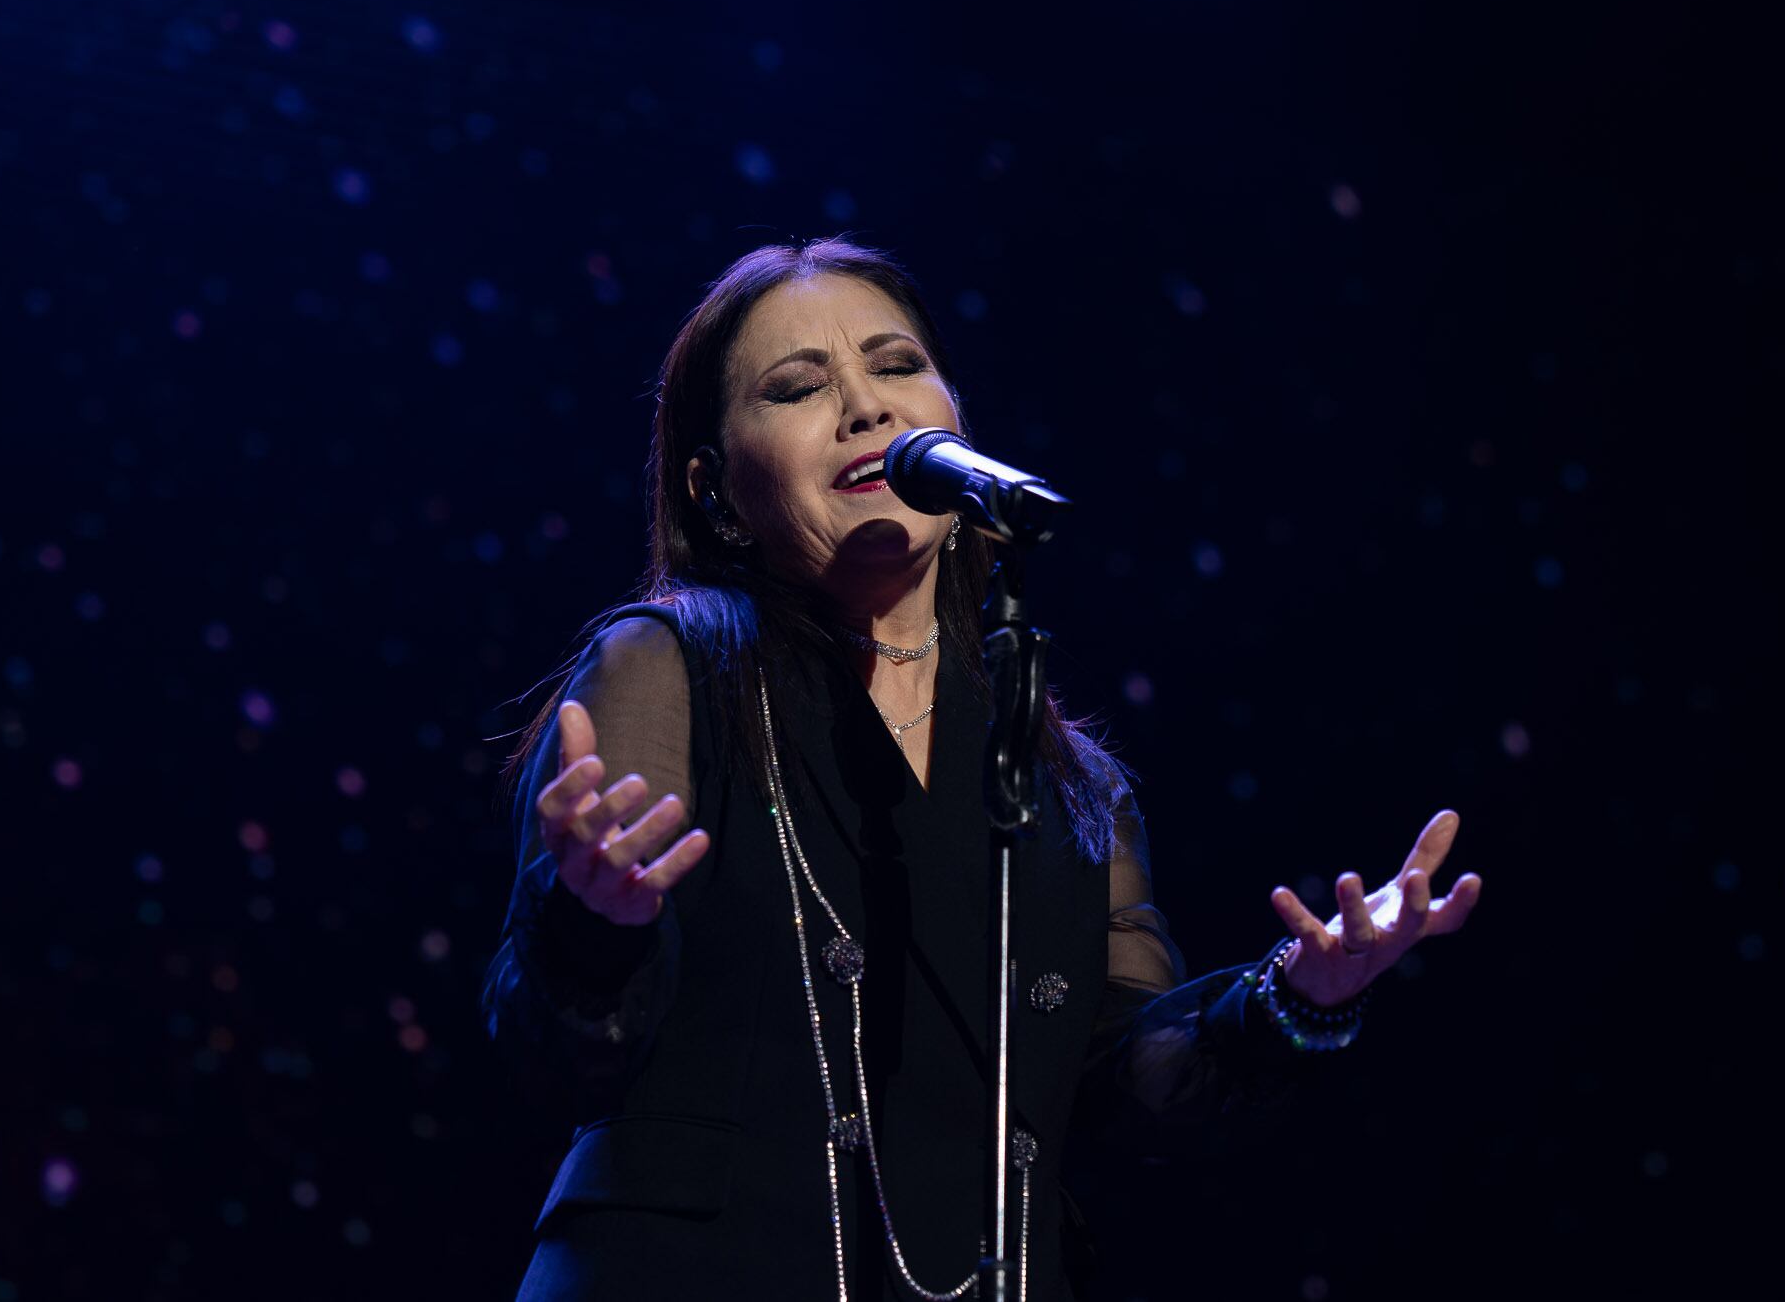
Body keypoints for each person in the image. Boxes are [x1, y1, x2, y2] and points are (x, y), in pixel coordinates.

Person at [481, 238, 1483, 1301]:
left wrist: (1299, 996)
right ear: (715, 486)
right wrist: (595, 919)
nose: (866, 408)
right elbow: (554, 1058)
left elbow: (1121, 1087)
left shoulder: (1073, 787)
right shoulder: (669, 667)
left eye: (895, 365)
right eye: (797, 387)